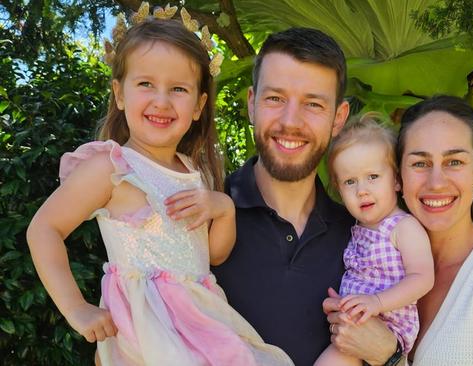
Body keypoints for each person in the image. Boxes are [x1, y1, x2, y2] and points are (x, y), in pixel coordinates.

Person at [26, 9, 292, 366]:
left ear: (198, 105)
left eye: (178, 89)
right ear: (120, 94)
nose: (162, 101)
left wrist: (223, 209)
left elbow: (214, 255)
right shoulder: (111, 167)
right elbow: (44, 229)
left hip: (200, 321)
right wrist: (76, 308)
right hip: (145, 328)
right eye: (146, 84)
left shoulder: (196, 173)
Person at [212, 28, 401, 366]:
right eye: (275, 99)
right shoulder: (204, 216)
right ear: (252, 104)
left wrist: (389, 355)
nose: (290, 121)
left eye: (313, 104)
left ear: (338, 118)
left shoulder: (364, 236)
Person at [324, 95, 473, 365]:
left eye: (454, 162)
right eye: (420, 163)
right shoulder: (373, 253)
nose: (436, 182)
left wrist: (390, 357)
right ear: (399, 175)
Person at [314, 115, 434, 366]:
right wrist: (344, 302)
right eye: (350, 181)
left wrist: (377, 302)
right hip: (357, 326)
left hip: (389, 328)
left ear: (397, 180)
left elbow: (423, 278)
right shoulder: (356, 229)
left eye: (373, 177)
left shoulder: (403, 227)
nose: (362, 190)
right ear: (338, 189)